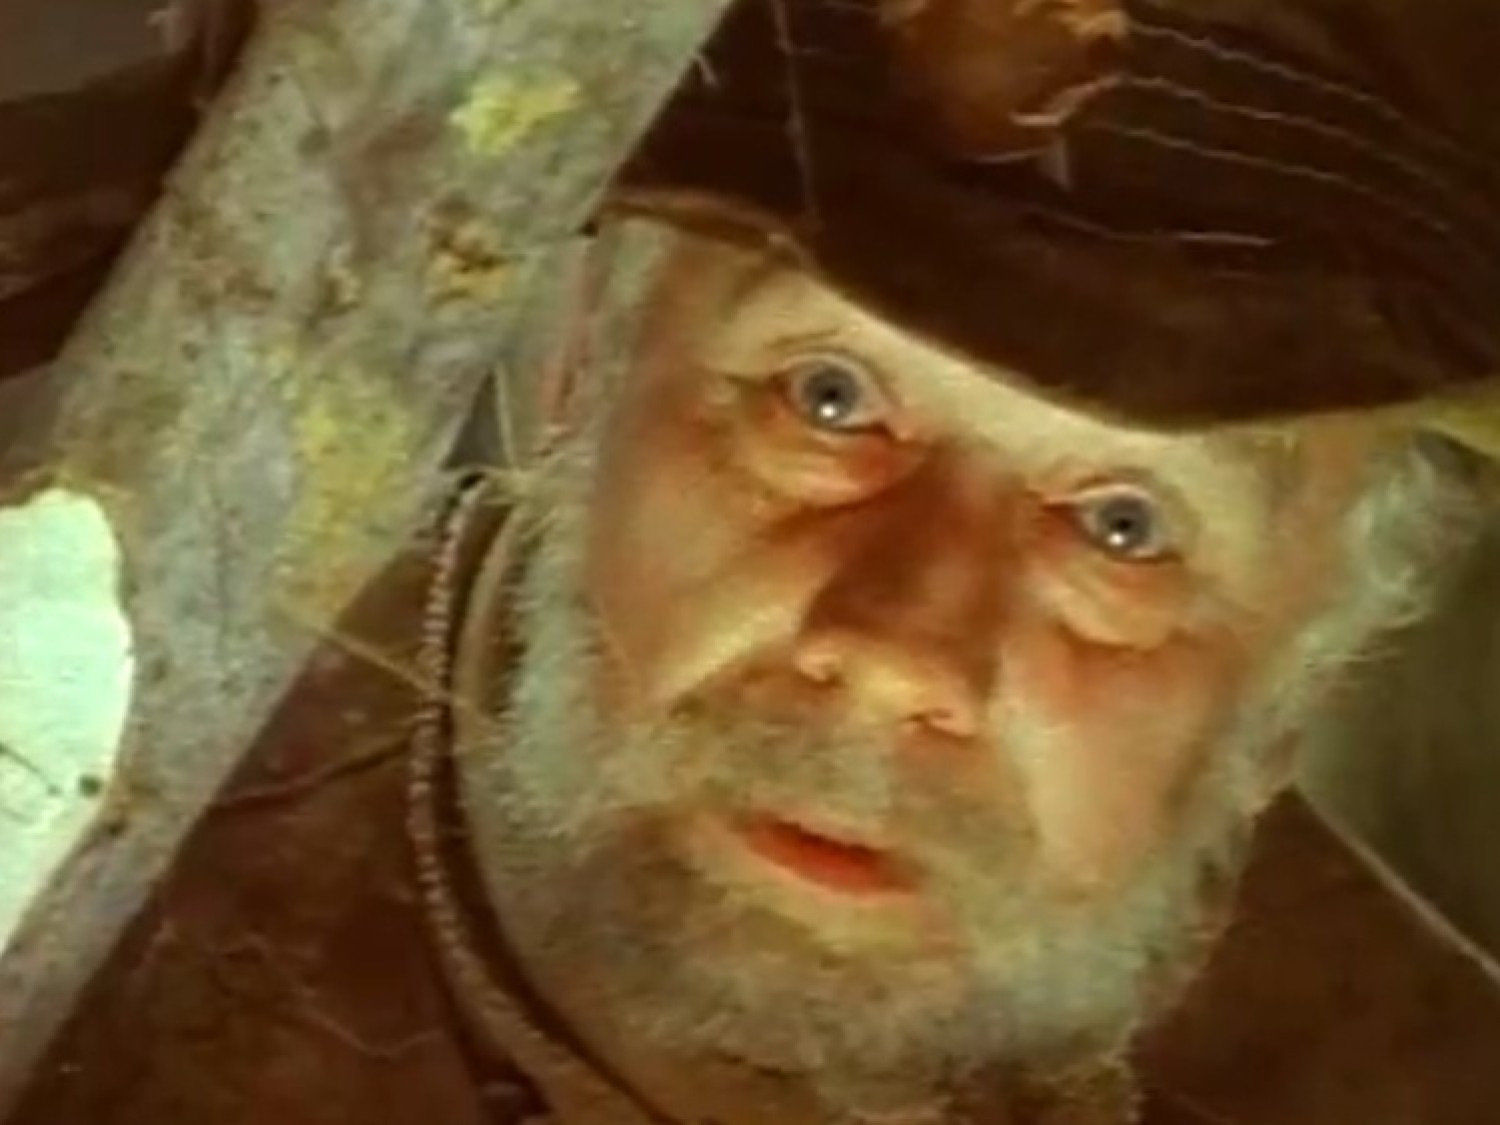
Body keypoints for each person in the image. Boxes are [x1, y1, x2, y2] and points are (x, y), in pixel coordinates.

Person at [12, 2, 1500, 1124]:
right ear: (582, 378)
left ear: (1298, 683)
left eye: (1127, 527)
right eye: (829, 399)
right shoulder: (59, 751)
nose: (900, 646)